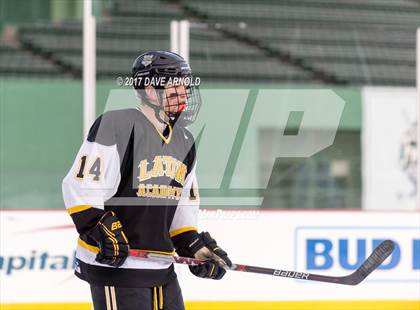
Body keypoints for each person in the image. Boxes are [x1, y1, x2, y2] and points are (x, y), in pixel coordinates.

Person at [62, 51, 231, 310]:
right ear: (151, 91)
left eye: (185, 85)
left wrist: (195, 247)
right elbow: (80, 187)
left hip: (161, 268)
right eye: (175, 85)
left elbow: (182, 212)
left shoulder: (184, 141)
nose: (184, 92)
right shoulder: (116, 125)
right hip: (117, 267)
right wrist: (101, 227)